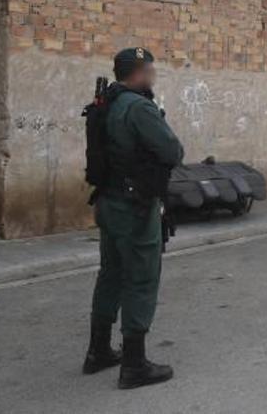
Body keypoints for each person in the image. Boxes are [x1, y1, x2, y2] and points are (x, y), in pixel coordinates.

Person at [85, 48, 185, 389]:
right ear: (139, 72)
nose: (153, 75)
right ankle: (134, 364)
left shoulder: (107, 101)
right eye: (150, 69)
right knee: (141, 277)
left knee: (110, 274)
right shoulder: (139, 107)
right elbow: (173, 151)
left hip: (108, 203)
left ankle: (98, 350)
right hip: (135, 207)